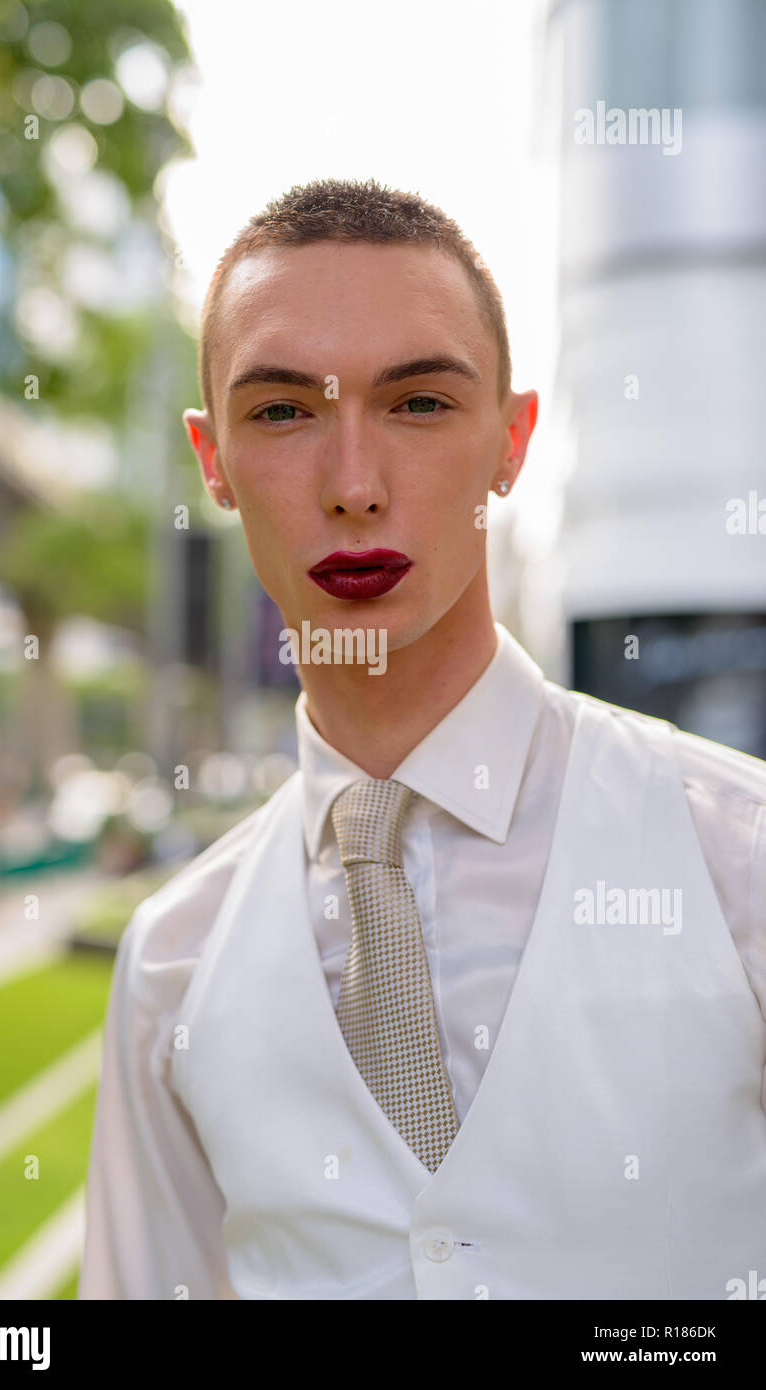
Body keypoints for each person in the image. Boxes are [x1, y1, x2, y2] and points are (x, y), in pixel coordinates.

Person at [78, 178, 766, 1301]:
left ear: (512, 437)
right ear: (213, 460)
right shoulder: (172, 963)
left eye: (420, 404)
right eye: (285, 411)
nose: (354, 487)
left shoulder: (738, 855)